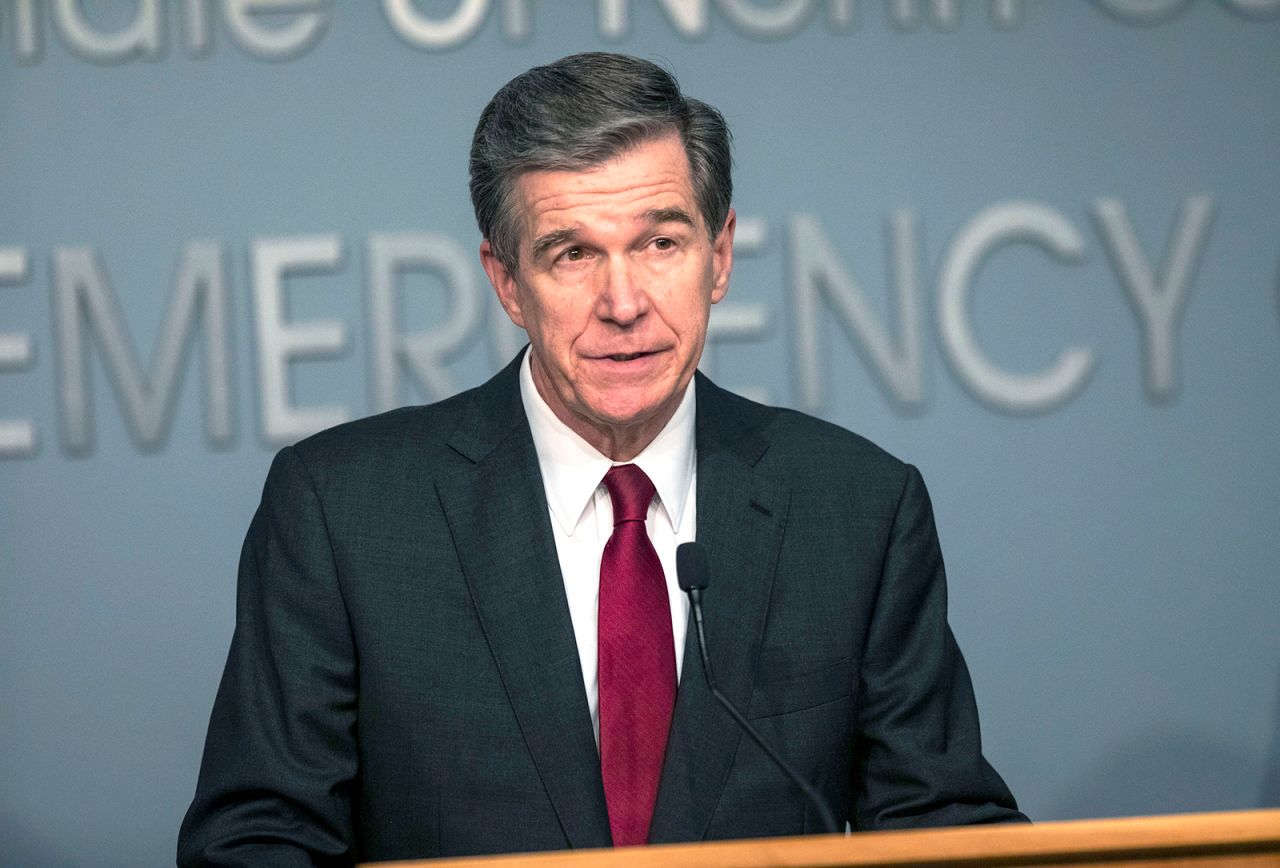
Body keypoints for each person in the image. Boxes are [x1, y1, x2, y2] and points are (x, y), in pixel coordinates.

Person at [178, 52, 1024, 866]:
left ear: (719, 256)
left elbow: (939, 822)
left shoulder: (856, 509)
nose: (624, 304)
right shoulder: (345, 513)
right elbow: (259, 839)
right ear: (507, 282)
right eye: (573, 254)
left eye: (661, 243)